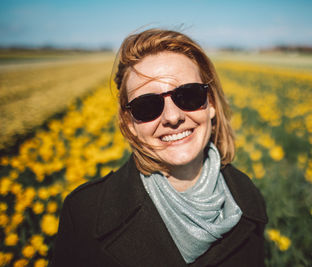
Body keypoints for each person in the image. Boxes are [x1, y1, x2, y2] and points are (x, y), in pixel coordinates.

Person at [50, 28, 268, 267]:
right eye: (147, 106)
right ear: (129, 123)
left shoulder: (247, 197)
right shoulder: (84, 214)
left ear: (211, 104)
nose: (173, 117)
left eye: (189, 95)